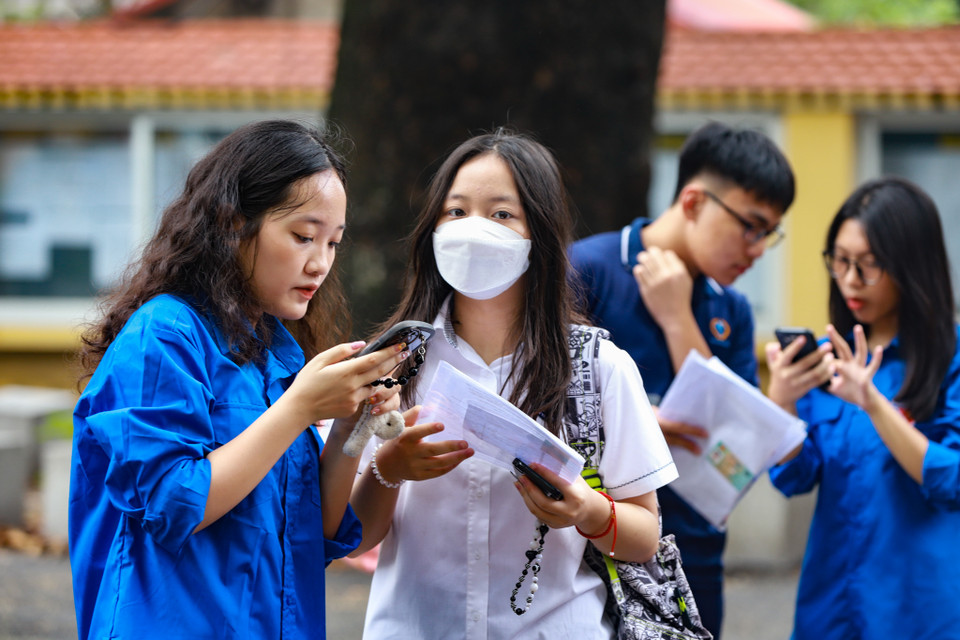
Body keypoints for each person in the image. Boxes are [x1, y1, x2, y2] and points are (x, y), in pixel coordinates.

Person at [68, 119, 408, 639]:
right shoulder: (164, 334)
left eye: (333, 243)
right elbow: (172, 503)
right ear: (233, 225)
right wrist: (298, 408)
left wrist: (347, 426)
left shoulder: (277, 350)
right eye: (302, 236)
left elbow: (312, 532)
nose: (320, 263)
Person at [348, 129, 678, 638]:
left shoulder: (600, 366)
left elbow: (644, 536)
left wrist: (588, 510)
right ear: (432, 228)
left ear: (538, 236)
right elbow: (350, 537)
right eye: (456, 212)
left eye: (501, 214)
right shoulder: (388, 365)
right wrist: (388, 470)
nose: (473, 230)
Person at [568, 121, 796, 637]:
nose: (758, 249)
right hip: (592, 544)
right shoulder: (586, 270)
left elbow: (733, 441)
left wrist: (677, 319)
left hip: (693, 552)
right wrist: (635, 424)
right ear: (693, 202)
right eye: (751, 226)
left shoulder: (730, 309)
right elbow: (542, 398)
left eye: (769, 234)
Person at [765, 177, 960, 639]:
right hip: (832, 603)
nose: (851, 280)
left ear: (912, 266)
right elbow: (795, 477)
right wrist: (783, 405)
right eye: (841, 261)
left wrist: (873, 403)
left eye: (870, 266)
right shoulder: (823, 355)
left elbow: (951, 476)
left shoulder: (950, 356)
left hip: (918, 608)